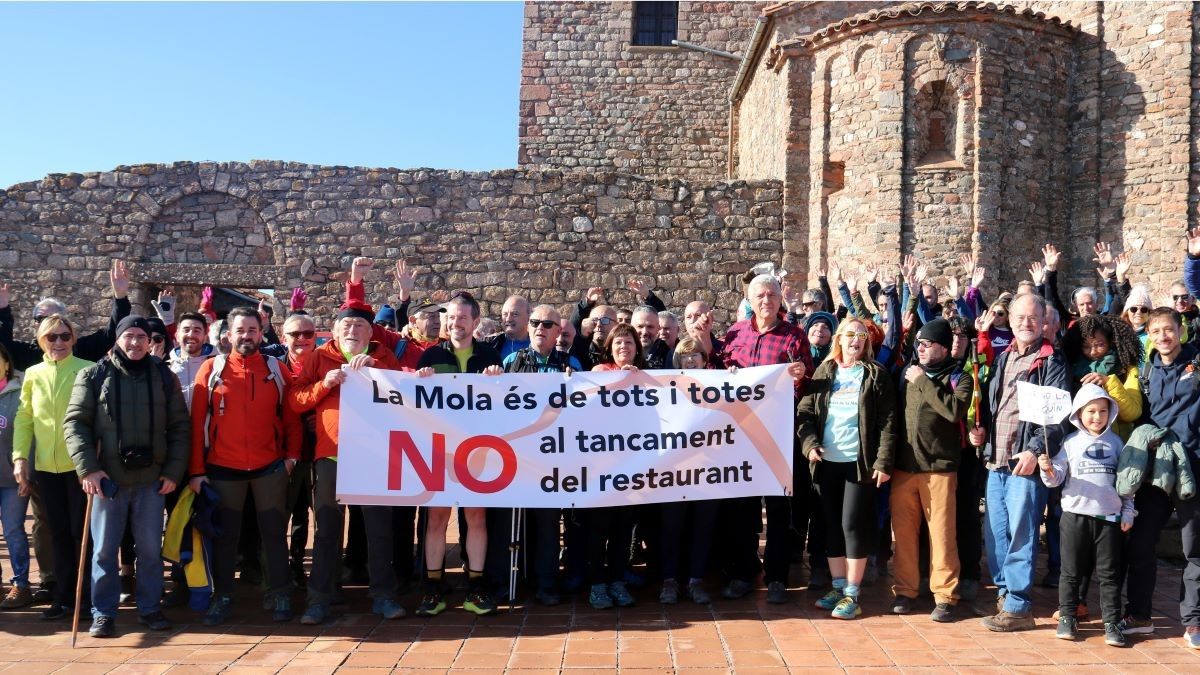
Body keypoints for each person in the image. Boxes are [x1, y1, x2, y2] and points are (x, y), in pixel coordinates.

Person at [64, 315, 190, 638]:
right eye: (128, 336)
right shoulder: (93, 375)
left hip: (151, 479)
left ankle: (150, 607)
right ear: (117, 339)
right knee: (104, 550)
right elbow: (75, 424)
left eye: (141, 337)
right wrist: (89, 469)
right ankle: (103, 613)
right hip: (108, 480)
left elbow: (179, 427)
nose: (134, 343)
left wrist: (173, 471)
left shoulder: (164, 377)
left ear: (151, 342)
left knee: (150, 549)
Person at [289, 300, 409, 625]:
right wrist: (323, 385)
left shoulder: (384, 357)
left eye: (359, 326)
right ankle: (320, 599)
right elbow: (295, 400)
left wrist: (378, 372)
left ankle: (383, 595)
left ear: (371, 332)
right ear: (336, 329)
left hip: (373, 455)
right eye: (347, 325)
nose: (352, 330)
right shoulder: (319, 357)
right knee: (327, 530)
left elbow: (405, 395)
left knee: (379, 529)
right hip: (331, 456)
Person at [188, 307, 303, 625]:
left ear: (261, 332)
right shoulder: (211, 369)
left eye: (252, 330)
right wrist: (196, 471)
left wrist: (292, 456)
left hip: (269, 467)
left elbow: (291, 416)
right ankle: (223, 596)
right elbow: (197, 424)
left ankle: (280, 593)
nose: (247, 336)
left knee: (274, 535)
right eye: (240, 330)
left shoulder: (276, 368)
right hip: (223, 468)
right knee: (226, 538)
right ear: (228, 335)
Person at [971, 293, 1068, 632]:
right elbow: (996, 408)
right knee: (995, 533)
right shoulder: (1003, 358)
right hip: (996, 461)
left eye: (1033, 318)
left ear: (1043, 322)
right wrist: (980, 434)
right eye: (1019, 317)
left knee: (1022, 534)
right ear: (1009, 320)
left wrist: (1035, 449)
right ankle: (1004, 593)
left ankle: (1019, 605)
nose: (1025, 323)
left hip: (1024, 461)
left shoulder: (1052, 361)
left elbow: (1058, 418)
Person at [715, 274, 812, 604]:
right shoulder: (735, 334)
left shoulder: (794, 336)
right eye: (760, 295)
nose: (766, 300)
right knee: (741, 511)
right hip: (740, 439)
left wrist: (800, 375)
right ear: (749, 298)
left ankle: (777, 577)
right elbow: (716, 375)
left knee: (779, 511)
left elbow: (806, 384)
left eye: (772, 294)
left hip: (778, 438)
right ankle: (744, 573)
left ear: (779, 300)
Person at [797, 318, 896, 620]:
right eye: (850, 334)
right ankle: (838, 588)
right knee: (830, 525)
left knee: (852, 526)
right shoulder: (825, 371)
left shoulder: (875, 374)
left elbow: (888, 423)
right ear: (838, 339)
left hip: (858, 464)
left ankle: (853, 594)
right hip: (827, 463)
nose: (856, 340)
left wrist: (883, 462)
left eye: (862, 336)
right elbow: (806, 411)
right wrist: (810, 444)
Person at [414, 291, 503, 616]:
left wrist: (498, 380)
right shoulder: (429, 356)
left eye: (462, 318)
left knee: (476, 517)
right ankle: (433, 588)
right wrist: (418, 382)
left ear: (475, 321)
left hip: (478, 451)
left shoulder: (489, 356)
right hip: (439, 450)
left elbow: (507, 402)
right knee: (436, 518)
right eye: (450, 318)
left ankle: (476, 588)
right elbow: (412, 404)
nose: (454, 323)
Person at [1119, 303, 1200, 646]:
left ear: (1180, 330)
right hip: (1156, 471)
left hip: (1194, 467)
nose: (1163, 336)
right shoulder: (1146, 372)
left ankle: (1194, 621)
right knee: (1140, 542)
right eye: (1156, 331)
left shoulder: (1197, 364)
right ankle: (1139, 616)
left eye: (1169, 329)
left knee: (1194, 548)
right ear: (1149, 337)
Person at [12, 315, 94, 620]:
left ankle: (84, 597)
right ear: (41, 340)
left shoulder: (88, 369)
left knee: (80, 533)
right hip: (46, 467)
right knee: (57, 533)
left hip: (80, 467)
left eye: (64, 336)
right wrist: (21, 457)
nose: (58, 342)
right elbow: (24, 418)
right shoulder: (32, 374)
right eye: (51, 337)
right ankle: (62, 596)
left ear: (73, 339)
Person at [494, 305, 576, 606]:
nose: (540, 328)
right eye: (536, 323)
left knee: (548, 523)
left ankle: (546, 582)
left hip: (552, 460)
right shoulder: (512, 361)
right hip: (516, 457)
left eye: (547, 324)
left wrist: (575, 381)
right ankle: (503, 580)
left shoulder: (571, 363)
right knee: (507, 523)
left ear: (558, 332)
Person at [891, 318, 972, 622]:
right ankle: (905, 590)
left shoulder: (959, 377)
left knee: (941, 535)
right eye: (919, 344)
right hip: (904, 468)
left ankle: (945, 596)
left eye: (927, 345)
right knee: (904, 534)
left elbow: (952, 410)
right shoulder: (905, 375)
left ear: (942, 347)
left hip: (939, 468)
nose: (921, 349)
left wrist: (923, 381)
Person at [1039, 384, 1132, 647]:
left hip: (1109, 520)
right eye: (1091, 411)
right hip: (1075, 517)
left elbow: (1127, 483)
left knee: (1110, 574)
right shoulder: (1070, 443)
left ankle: (1112, 622)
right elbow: (1055, 480)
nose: (1097, 416)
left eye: (1103, 411)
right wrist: (1047, 469)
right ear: (1079, 413)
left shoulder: (1117, 443)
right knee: (1070, 572)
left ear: (1110, 413)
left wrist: (1128, 512)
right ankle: (1067, 616)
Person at [585, 323, 646, 609]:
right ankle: (597, 584)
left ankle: (618, 581)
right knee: (598, 529)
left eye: (630, 343)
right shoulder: (598, 374)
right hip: (600, 467)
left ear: (637, 348)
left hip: (631, 467)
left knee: (623, 529)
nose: (624, 348)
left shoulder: (647, 377)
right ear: (609, 347)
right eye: (619, 343)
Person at [658, 337, 719, 605]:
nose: (691, 359)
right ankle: (670, 580)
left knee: (702, 527)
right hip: (674, 473)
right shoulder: (665, 386)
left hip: (709, 471)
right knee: (671, 527)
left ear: (706, 361)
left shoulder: (721, 385)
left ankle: (696, 580)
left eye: (696, 355)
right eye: (685, 355)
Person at [0, 260, 132, 371]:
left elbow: (112, 333)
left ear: (64, 320)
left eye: (52, 317)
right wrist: (3, 310)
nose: (47, 323)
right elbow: (3, 346)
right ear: (35, 324)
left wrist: (120, 296)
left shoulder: (80, 351)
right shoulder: (27, 355)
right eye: (40, 318)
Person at [0, 343, 31, 608]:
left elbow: (28, 433)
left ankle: (21, 584)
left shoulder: (20, 392)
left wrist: (25, 470)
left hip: (12, 479)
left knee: (13, 531)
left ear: (6, 364)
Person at [168, 312, 213, 410]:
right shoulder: (166, 369)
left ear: (205, 337)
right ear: (177, 335)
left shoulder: (217, 368)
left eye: (197, 331)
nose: (191, 335)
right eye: (186, 330)